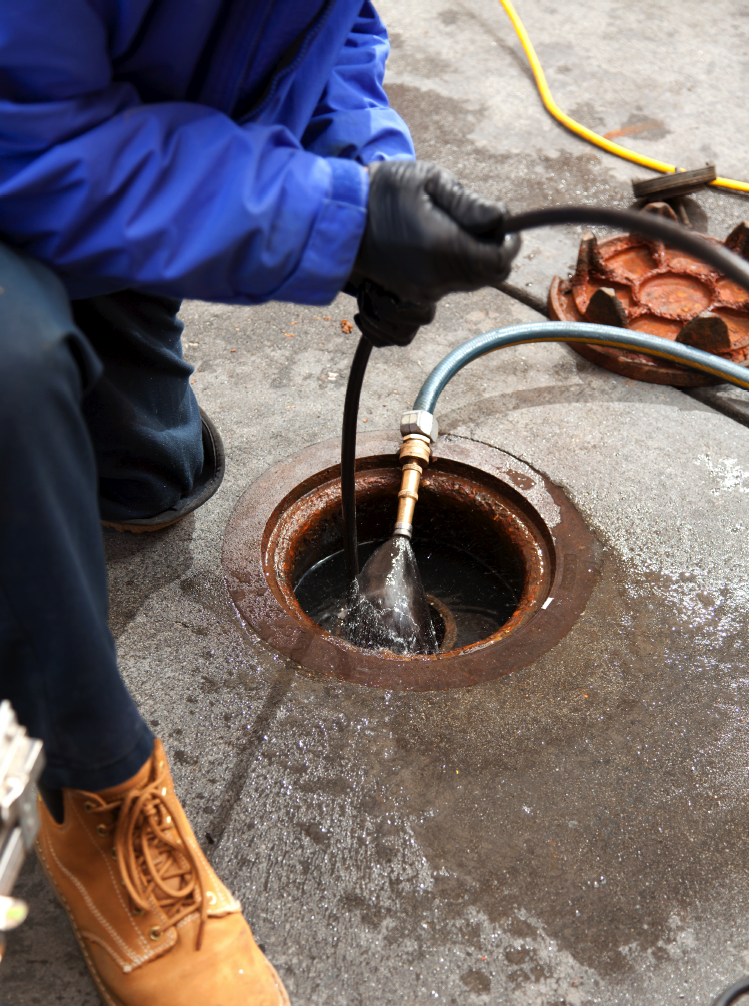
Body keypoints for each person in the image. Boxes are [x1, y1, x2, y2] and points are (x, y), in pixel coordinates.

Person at [0, 2, 518, 1003]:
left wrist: (368, 170)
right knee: (17, 381)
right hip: (21, 143)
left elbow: (330, 25)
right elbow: (24, 135)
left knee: (152, 476)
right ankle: (91, 787)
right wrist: (332, 219)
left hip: (50, 137)